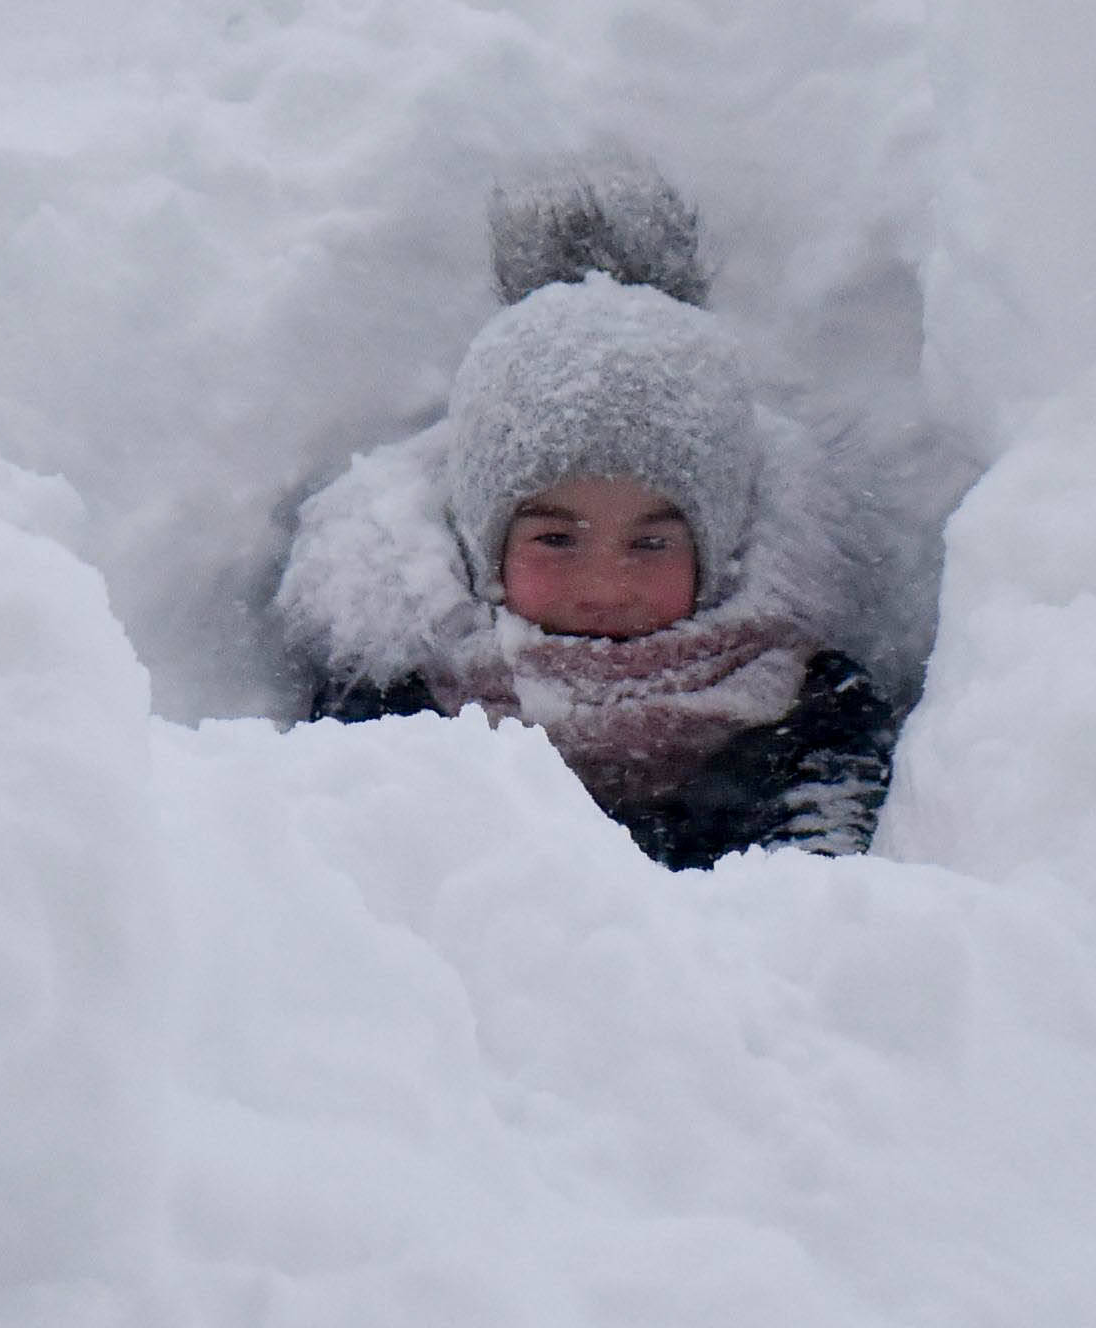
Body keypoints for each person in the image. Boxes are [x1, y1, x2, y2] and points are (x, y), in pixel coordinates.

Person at [279, 168, 907, 869]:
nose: (605, 585)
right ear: (481, 544)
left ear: (720, 547)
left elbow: (818, 921)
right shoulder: (395, 718)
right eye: (554, 538)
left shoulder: (812, 720)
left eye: (651, 541)